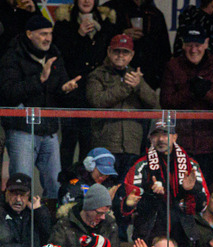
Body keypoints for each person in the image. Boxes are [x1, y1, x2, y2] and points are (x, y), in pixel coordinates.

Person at [0, 15, 83, 199]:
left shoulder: (55, 56)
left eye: (50, 34)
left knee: (55, 185)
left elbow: (59, 96)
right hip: (22, 131)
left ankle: (50, 225)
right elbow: (9, 93)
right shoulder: (12, 56)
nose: (48, 38)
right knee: (21, 186)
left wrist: (65, 90)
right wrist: (39, 80)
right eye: (43, 34)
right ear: (29, 34)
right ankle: (19, 225)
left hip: (49, 132)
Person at [160, 28, 213, 185]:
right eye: (189, 44)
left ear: (206, 43)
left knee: (211, 189)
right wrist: (189, 91)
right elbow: (166, 102)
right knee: (180, 190)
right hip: (182, 143)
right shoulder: (173, 66)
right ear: (182, 44)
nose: (193, 49)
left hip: (212, 145)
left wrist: (205, 93)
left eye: (198, 44)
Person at [52, 0, 121, 166]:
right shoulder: (64, 22)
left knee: (90, 141)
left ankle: (86, 182)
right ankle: (66, 182)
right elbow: (59, 54)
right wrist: (79, 34)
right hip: (73, 90)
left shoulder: (107, 21)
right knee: (69, 140)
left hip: (97, 90)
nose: (86, 1)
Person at [121, 119, 208, 247]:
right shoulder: (140, 165)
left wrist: (192, 189)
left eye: (165, 134)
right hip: (149, 236)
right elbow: (128, 208)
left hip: (184, 235)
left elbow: (203, 205)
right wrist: (150, 194)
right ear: (150, 138)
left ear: (175, 137)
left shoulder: (191, 166)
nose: (161, 139)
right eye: (156, 134)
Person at [85, 34, 159, 180]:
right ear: (108, 51)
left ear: (131, 55)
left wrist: (139, 86)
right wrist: (126, 87)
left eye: (125, 52)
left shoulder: (135, 77)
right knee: (106, 188)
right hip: (105, 144)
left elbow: (155, 104)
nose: (120, 55)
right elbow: (97, 101)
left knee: (129, 189)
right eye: (116, 51)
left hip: (132, 144)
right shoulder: (97, 75)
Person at [49, 182, 121, 247]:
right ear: (88, 207)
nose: (103, 217)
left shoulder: (110, 224)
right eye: (99, 213)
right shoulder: (64, 226)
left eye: (105, 213)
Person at [101, 0, 170, 90]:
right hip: (115, 79)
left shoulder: (155, 14)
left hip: (148, 80)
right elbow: (99, 41)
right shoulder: (110, 9)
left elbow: (165, 51)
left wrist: (158, 79)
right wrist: (122, 35)